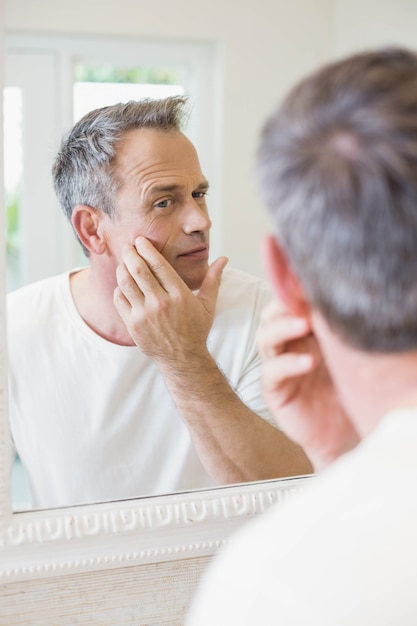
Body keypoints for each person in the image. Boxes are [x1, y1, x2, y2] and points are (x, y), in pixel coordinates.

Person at [186, 47, 417, 625]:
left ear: (285, 275)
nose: (196, 222)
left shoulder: (275, 587)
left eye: (198, 195)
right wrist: (343, 461)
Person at [7, 96, 312, 509]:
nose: (200, 221)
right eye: (164, 202)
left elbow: (290, 499)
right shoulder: (16, 329)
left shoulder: (258, 311)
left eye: (198, 194)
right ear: (92, 229)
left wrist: (183, 357)